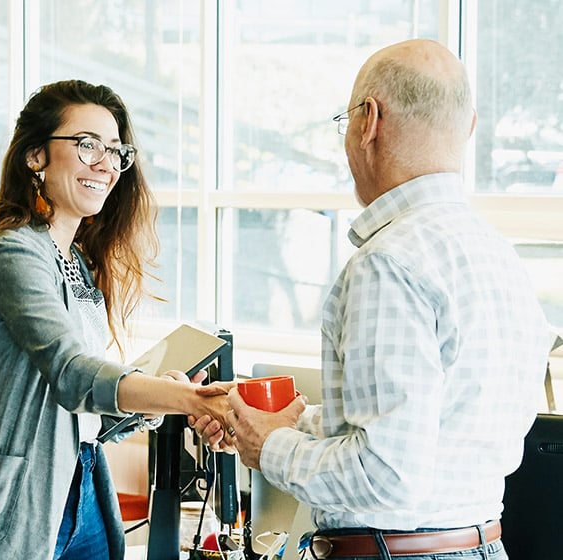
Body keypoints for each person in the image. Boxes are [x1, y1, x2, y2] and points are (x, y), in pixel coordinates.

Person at [199, 39, 552, 560]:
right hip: (479, 544)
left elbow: (385, 476)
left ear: (369, 121)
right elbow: (435, 427)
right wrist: (295, 423)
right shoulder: (496, 255)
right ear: (469, 127)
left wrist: (268, 447)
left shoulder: (389, 262)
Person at [0, 79, 229, 560]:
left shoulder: (78, 263)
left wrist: (158, 398)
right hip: (12, 504)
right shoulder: (13, 251)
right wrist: (189, 398)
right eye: (87, 146)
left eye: (115, 151)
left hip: (81, 485)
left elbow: (83, 417)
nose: (106, 165)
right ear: (35, 156)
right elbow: (72, 374)